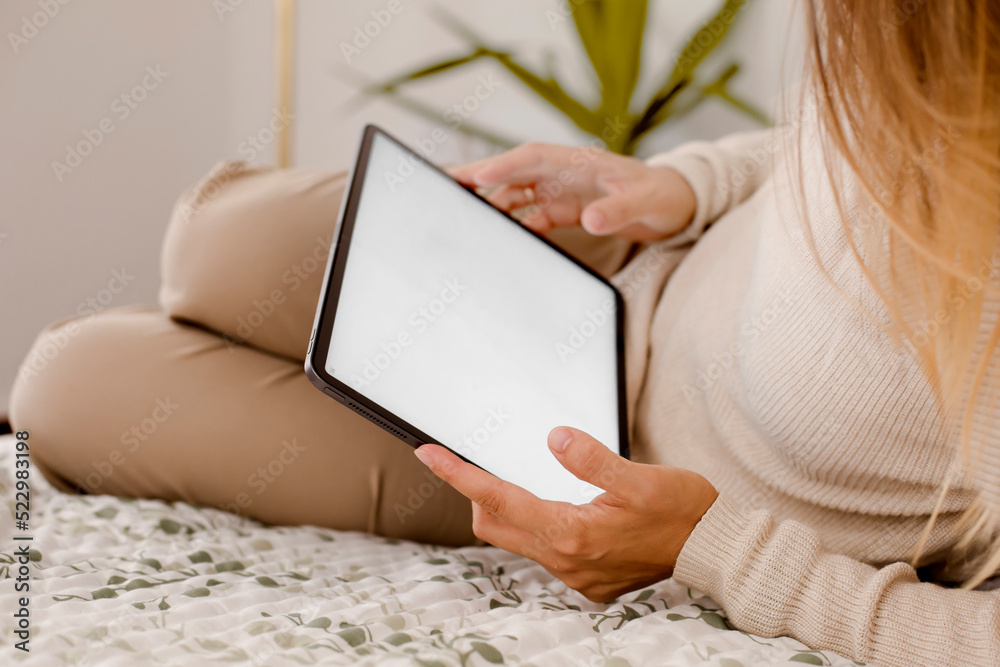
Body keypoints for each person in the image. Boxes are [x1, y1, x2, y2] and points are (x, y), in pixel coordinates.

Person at [10, 1, 1000, 664]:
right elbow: (842, 138)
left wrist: (711, 549)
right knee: (212, 238)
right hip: (619, 273)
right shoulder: (924, 38)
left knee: (64, 382)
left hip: (592, 471)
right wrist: (684, 184)